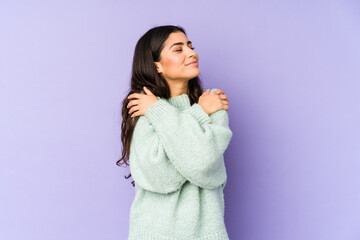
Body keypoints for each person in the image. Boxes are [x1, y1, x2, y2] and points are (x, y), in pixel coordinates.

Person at [116, 25, 233, 240]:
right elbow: (162, 177)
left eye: (190, 46)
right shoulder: (144, 108)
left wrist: (161, 110)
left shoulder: (213, 102)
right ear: (157, 66)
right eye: (178, 49)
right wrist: (199, 113)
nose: (191, 53)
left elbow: (204, 163)